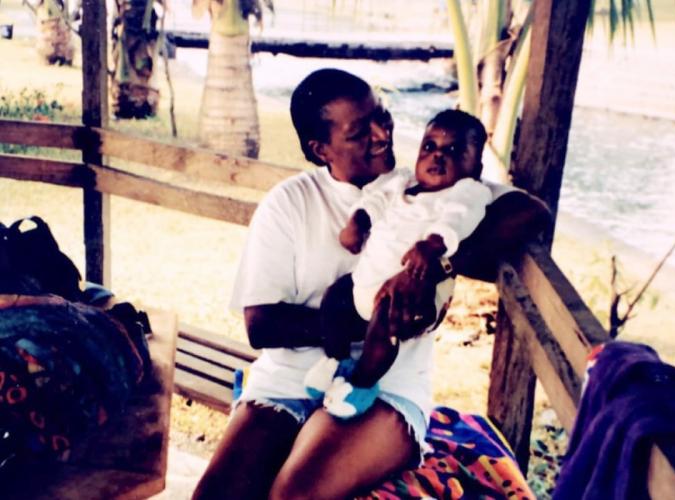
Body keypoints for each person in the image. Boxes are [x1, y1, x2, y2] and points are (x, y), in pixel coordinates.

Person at [193, 68, 548, 499]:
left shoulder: (428, 188)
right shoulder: (289, 203)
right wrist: (370, 321)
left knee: (294, 494)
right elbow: (262, 326)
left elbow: (530, 213)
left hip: (389, 386)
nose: (382, 134)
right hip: (287, 381)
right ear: (320, 149)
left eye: (381, 115)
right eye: (360, 132)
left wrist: (432, 266)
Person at [304, 110, 493, 420]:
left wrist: (432, 245)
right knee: (334, 301)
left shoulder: (466, 191)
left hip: (405, 291)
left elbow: (458, 218)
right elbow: (375, 201)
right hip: (365, 278)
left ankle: (361, 385)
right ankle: (337, 362)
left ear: (477, 167)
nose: (438, 156)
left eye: (454, 150)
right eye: (429, 147)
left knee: (385, 329)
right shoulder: (402, 181)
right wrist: (359, 221)